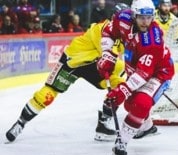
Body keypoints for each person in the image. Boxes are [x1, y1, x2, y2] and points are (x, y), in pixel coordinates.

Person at [5, 3, 130, 143]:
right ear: (115, 18)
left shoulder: (123, 37)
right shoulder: (102, 29)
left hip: (93, 65)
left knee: (120, 85)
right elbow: (107, 55)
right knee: (47, 94)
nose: (129, 24)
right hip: (73, 61)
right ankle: (20, 123)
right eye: (126, 21)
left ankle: (103, 125)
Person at [97, 0, 175, 155]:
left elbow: (144, 74)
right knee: (129, 105)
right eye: (141, 18)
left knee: (141, 104)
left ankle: (121, 143)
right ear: (133, 15)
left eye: (149, 18)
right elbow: (108, 33)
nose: (146, 22)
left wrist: (122, 90)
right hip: (136, 68)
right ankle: (147, 127)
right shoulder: (123, 18)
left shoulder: (153, 39)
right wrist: (106, 53)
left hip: (159, 73)